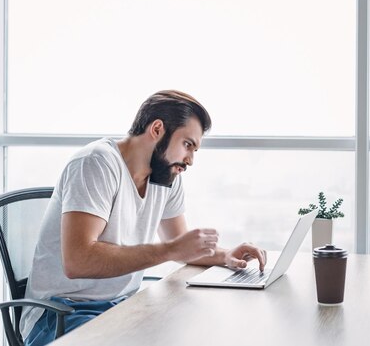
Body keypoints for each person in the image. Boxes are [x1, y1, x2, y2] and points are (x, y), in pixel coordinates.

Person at [21, 90, 267, 346]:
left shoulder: (166, 177)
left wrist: (225, 256)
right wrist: (169, 250)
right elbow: (78, 261)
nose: (190, 160)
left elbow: (181, 247)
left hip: (121, 308)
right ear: (157, 129)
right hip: (61, 315)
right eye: (187, 145)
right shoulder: (96, 163)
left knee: (200, 329)